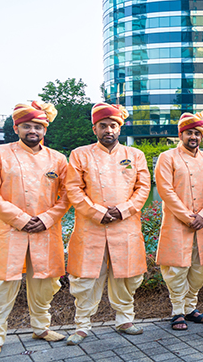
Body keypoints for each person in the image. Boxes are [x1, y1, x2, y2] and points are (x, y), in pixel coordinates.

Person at [0, 101, 68, 357]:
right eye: (27, 126)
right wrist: (19, 218)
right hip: (9, 231)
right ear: (16, 128)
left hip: (45, 231)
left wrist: (47, 219)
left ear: (44, 130)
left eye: (38, 127)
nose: (33, 131)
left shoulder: (58, 159)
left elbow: (66, 195)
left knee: (44, 284)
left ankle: (41, 328)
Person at [65, 103, 151, 344]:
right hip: (91, 226)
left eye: (113, 125)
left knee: (126, 276)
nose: (108, 130)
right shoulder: (79, 154)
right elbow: (73, 188)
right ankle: (82, 325)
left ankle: (124, 319)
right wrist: (97, 212)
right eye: (103, 126)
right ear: (94, 129)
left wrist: (123, 210)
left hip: (125, 226)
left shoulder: (135, 155)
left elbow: (143, 188)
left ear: (119, 128)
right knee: (85, 278)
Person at [155, 112, 203, 331]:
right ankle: (177, 311)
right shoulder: (167, 157)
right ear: (180, 134)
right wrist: (187, 216)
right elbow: (165, 190)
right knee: (176, 269)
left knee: (201, 268)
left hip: (202, 223)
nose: (193, 137)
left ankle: (191, 306)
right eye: (189, 133)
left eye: (197, 133)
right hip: (177, 222)